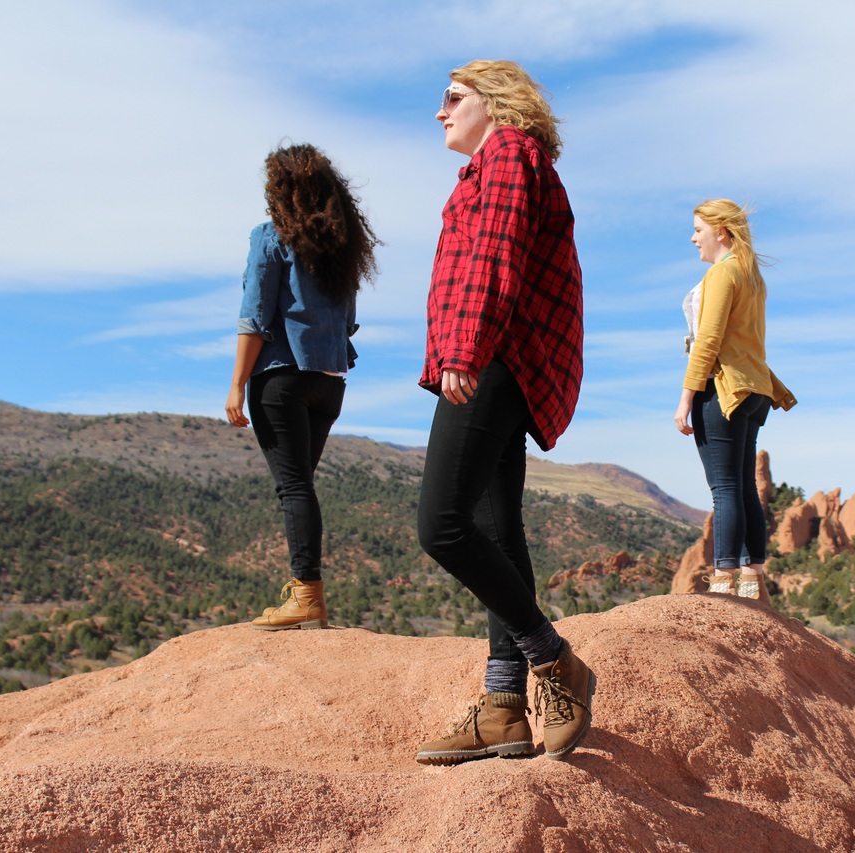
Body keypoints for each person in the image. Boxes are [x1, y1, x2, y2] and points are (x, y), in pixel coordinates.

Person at [413, 60, 594, 765]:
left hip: (493, 358)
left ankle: (555, 660)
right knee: (494, 526)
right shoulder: (494, 164)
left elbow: (495, 256)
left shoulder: (510, 154)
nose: (441, 112)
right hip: (497, 356)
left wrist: (464, 345)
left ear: (498, 103)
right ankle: (502, 707)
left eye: (453, 97)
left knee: (442, 524)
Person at [225, 143, 378, 631]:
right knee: (300, 486)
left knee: (293, 487)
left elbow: (255, 316)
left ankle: (307, 593)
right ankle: (302, 589)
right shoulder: (342, 247)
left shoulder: (270, 238)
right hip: (330, 383)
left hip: (281, 380)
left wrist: (236, 386)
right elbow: (349, 322)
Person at [674, 199, 796, 601]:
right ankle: (751, 577)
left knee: (724, 487)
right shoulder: (752, 276)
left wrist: (686, 397)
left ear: (721, 232)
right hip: (755, 389)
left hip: (724, 388)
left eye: (698, 230)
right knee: (743, 485)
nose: (693, 238)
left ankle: (724, 580)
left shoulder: (723, 275)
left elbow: (707, 342)